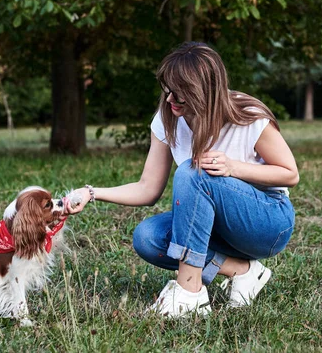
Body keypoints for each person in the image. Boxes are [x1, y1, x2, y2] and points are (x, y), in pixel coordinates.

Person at [67, 41, 298, 317]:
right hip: (219, 226)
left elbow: (290, 173)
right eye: (167, 91)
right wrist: (91, 193)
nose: (169, 100)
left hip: (268, 223)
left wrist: (233, 167)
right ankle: (243, 272)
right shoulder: (167, 119)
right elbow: (147, 188)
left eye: (179, 94)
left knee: (193, 171)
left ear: (204, 91)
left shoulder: (247, 116)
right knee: (149, 237)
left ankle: (189, 293)